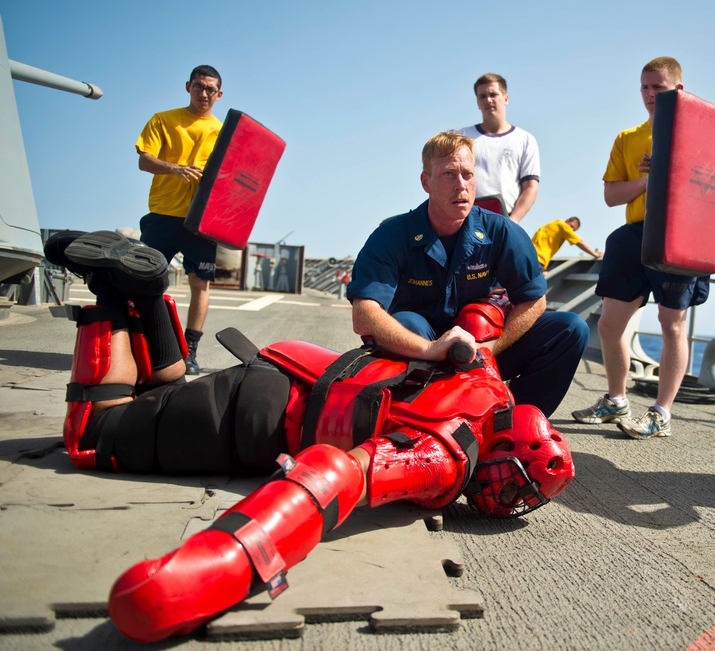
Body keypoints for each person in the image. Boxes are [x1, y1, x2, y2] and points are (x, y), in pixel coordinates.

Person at [42, 228, 575, 642]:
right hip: (261, 419)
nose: (505, 497)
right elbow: (334, 473)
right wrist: (230, 558)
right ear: (505, 450)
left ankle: (150, 299)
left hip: (293, 366)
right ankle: (115, 295)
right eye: (513, 484)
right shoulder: (448, 455)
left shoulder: (489, 375)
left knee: (166, 389)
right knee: (95, 434)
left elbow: (482, 317)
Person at [347, 131, 588, 418]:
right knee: (407, 321)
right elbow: (364, 315)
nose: (461, 185)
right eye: (449, 174)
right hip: (421, 349)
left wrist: (490, 348)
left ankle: (513, 424)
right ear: (426, 182)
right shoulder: (392, 235)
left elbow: (534, 300)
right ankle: (418, 422)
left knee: (570, 328)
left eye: (467, 174)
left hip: (481, 345)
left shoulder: (502, 232)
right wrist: (430, 348)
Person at [572, 57, 710, 439]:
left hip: (677, 233)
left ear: (678, 90)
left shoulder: (698, 134)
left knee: (672, 324)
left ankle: (662, 413)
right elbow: (611, 196)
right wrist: (647, 181)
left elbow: (709, 190)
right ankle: (616, 399)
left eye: (659, 88)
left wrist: (672, 169)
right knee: (610, 323)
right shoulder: (627, 137)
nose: (650, 95)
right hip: (634, 234)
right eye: (645, 87)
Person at [135, 65, 225, 376]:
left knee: (200, 285)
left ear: (219, 94)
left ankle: (189, 352)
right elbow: (144, 161)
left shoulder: (224, 132)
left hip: (202, 222)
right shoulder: (164, 119)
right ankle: (146, 344)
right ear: (188, 86)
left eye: (210, 89)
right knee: (146, 281)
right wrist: (175, 168)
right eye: (199, 86)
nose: (204, 93)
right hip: (163, 214)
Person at [459, 73, 540, 223]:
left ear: (506, 98)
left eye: (493, 94)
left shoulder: (525, 139)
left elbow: (530, 188)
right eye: (482, 96)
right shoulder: (461, 137)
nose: (488, 100)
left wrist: (511, 223)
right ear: (477, 102)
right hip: (466, 221)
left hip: (506, 219)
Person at [531, 216, 603, 270]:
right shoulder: (563, 226)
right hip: (538, 260)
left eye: (573, 230)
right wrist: (595, 254)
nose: (571, 230)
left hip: (529, 256)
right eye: (571, 226)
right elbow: (579, 242)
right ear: (567, 221)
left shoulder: (552, 225)